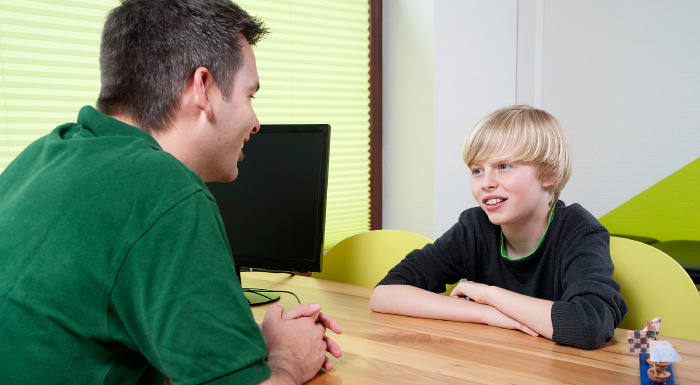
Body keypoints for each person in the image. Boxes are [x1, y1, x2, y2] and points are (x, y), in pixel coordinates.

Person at [0, 1, 341, 384]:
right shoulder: (166, 190)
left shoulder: (44, 154)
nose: (255, 122)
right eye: (250, 96)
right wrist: (287, 360)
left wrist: (242, 347)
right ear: (202, 88)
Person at [369, 105, 627, 350]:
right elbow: (385, 293)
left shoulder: (578, 231)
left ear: (550, 174)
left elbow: (589, 324)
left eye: (503, 166)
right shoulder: (474, 228)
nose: (486, 183)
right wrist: (486, 313)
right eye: (477, 170)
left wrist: (488, 294)